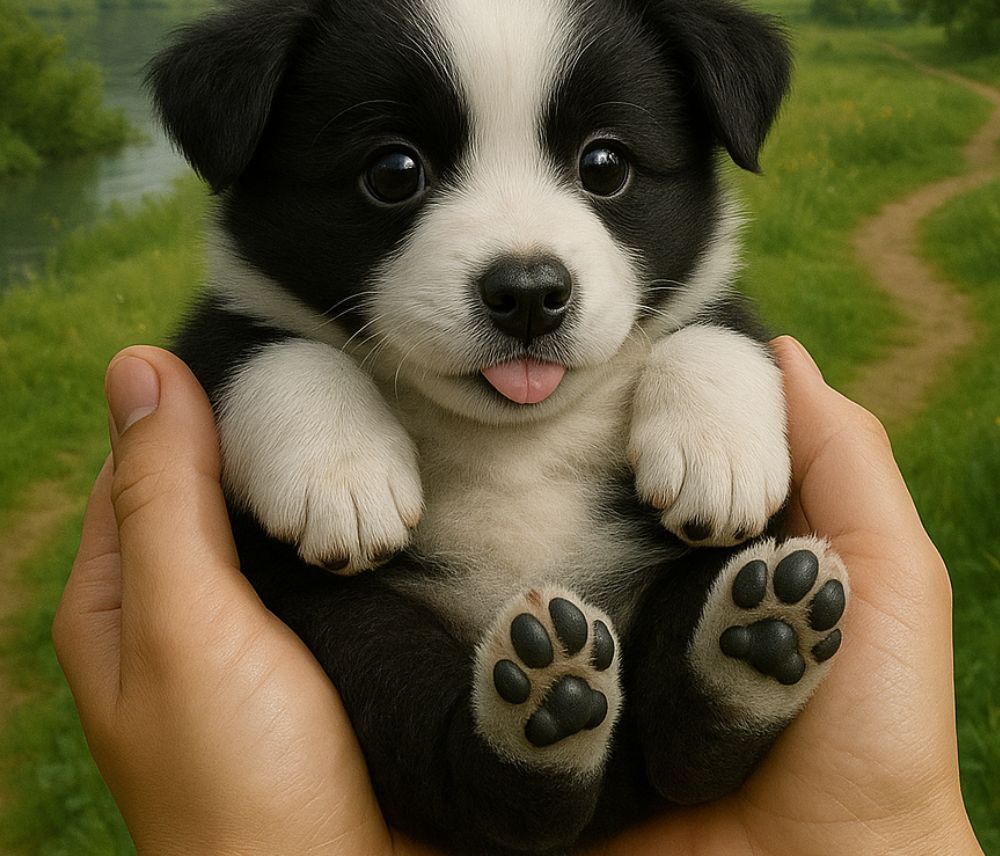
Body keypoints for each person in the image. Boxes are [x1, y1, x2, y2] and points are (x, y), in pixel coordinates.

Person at [52, 338, 985, 856]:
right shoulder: (282, 350)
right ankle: (513, 776)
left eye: (602, 168)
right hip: (422, 716)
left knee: (722, 545)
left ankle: (717, 707)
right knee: (339, 609)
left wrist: (712, 367)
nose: (523, 258)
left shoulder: (676, 327)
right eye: (400, 175)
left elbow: (722, 360)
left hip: (651, 662)